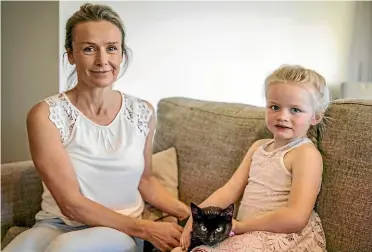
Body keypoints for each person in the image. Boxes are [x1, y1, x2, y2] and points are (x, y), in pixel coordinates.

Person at [3, 3, 190, 252]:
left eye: (111, 48)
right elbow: (70, 204)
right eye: (89, 49)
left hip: (121, 229)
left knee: (64, 249)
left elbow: (145, 180)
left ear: (121, 54)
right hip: (57, 223)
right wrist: (148, 229)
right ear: (70, 54)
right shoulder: (45, 115)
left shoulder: (142, 113)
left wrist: (188, 213)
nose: (103, 60)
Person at [174, 65, 329, 252]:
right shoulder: (258, 147)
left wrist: (241, 227)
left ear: (315, 117)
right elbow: (229, 190)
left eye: (295, 110)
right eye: (274, 107)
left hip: (282, 236)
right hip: (247, 234)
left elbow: (296, 217)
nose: (282, 116)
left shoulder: (305, 154)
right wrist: (195, 218)